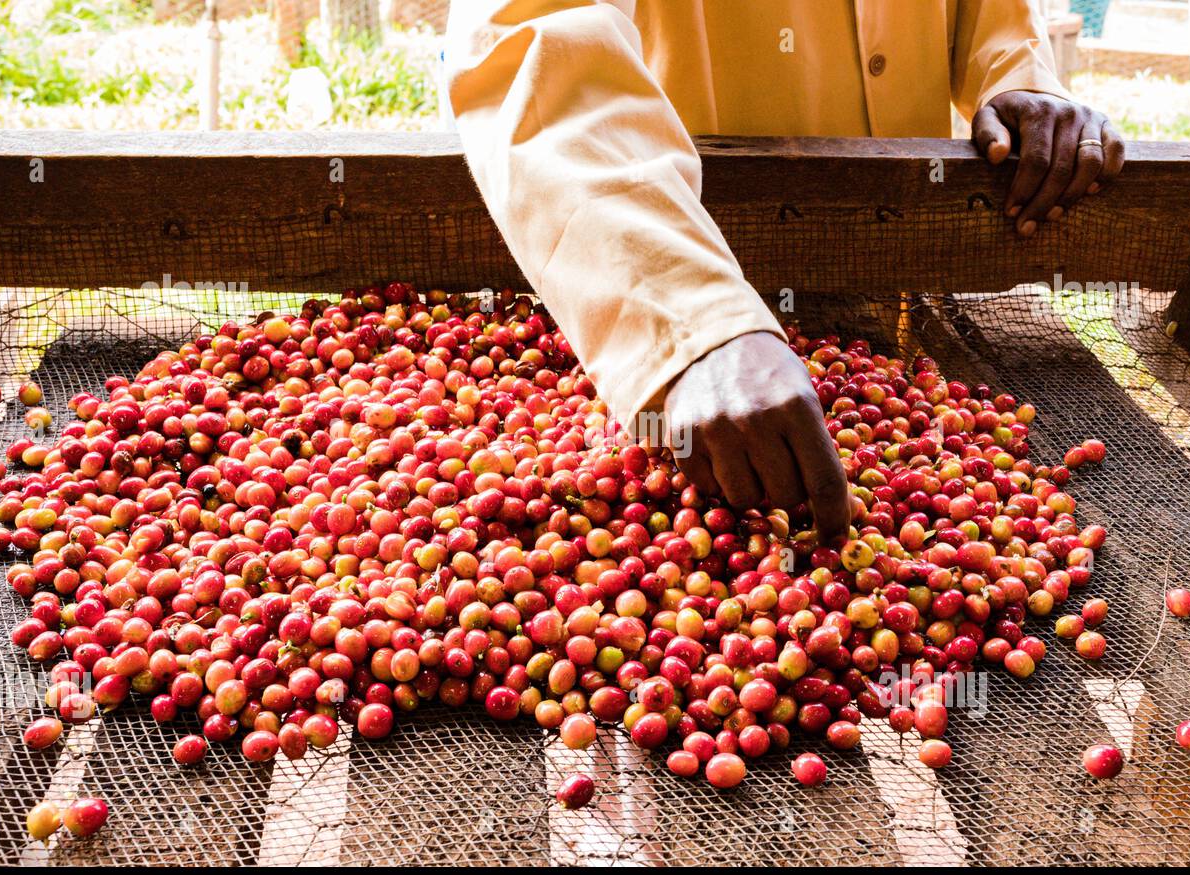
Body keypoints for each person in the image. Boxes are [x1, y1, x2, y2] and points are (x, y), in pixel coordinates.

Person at [443, 1, 1124, 544]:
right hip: (662, 307)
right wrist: (693, 322)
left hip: (892, 314)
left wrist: (1014, 71)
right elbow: (531, 37)